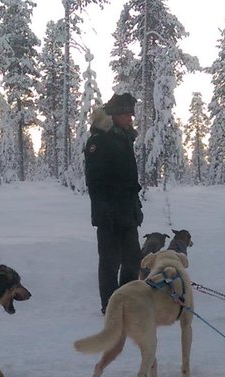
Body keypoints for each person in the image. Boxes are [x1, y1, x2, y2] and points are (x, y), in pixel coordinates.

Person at [85, 92, 143, 314]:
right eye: (127, 114)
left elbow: (128, 179)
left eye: (131, 115)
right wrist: (104, 212)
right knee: (110, 262)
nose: (131, 119)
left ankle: (127, 302)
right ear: (116, 115)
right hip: (109, 214)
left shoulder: (124, 138)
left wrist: (135, 207)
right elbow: (95, 182)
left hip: (127, 212)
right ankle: (110, 307)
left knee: (132, 260)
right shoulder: (99, 141)